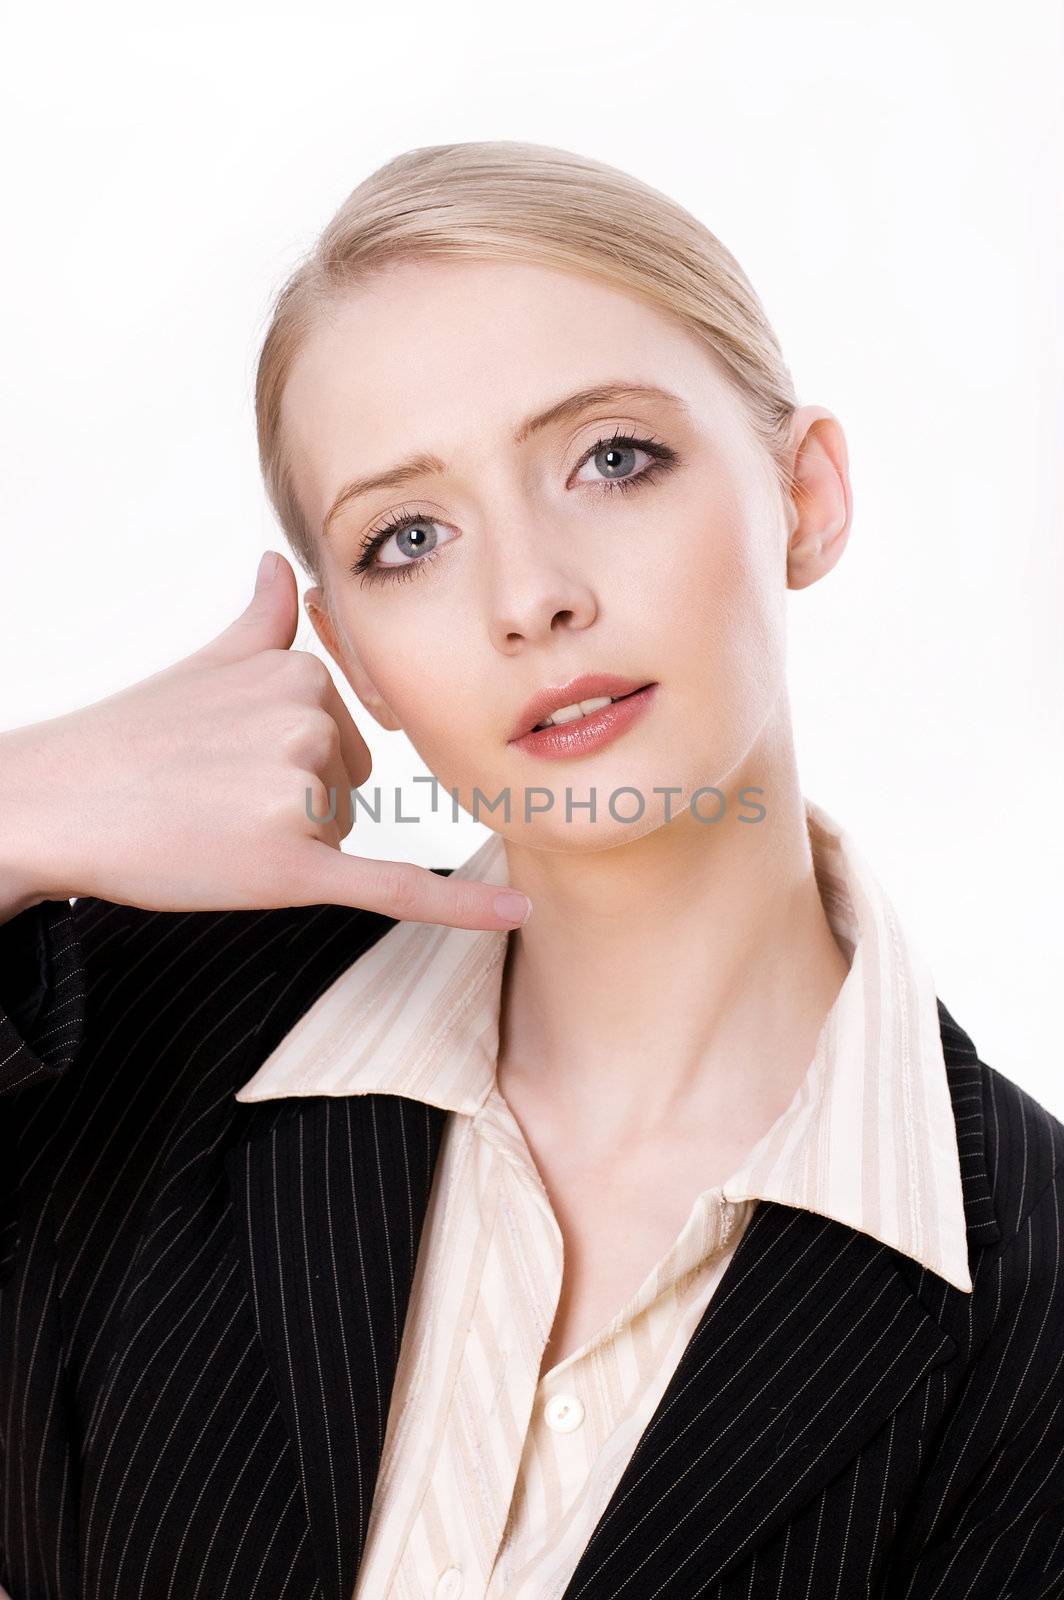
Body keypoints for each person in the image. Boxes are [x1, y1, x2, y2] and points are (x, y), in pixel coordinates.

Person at [0, 139, 1061, 1600]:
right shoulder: (121, 1040)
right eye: (409, 538)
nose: (530, 596)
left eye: (613, 458)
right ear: (354, 655)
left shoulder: (1034, 1298)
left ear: (803, 496)